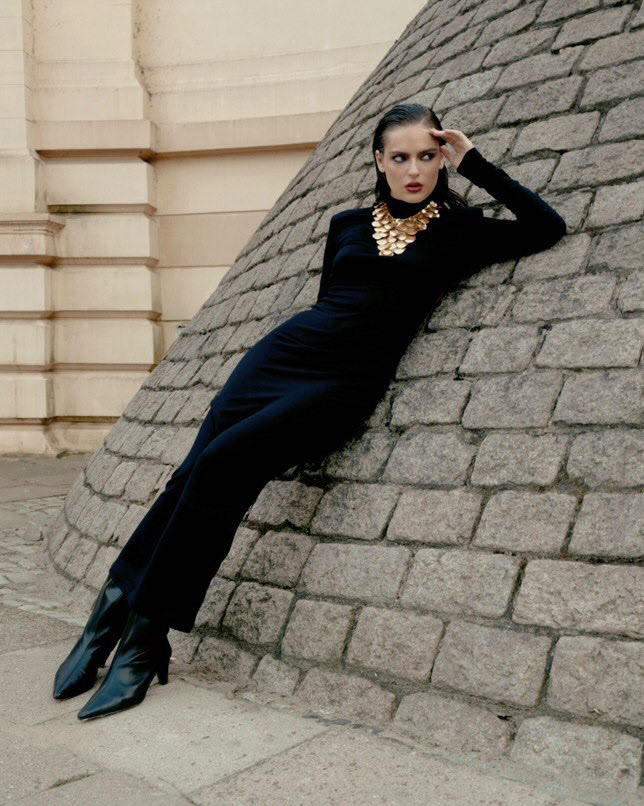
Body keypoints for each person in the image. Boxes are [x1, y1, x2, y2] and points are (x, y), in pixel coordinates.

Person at [52, 103, 567, 720]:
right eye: (400, 157)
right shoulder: (347, 224)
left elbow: (546, 226)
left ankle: (144, 637)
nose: (413, 170)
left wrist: (474, 161)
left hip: (342, 383)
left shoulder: (462, 229)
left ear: (442, 160)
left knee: (218, 467)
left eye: (427, 156)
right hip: (279, 359)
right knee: (189, 474)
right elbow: (331, 300)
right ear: (379, 161)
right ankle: (105, 621)